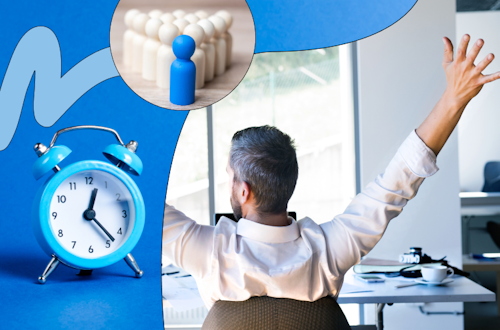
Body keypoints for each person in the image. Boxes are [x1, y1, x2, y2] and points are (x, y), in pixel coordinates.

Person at [162, 35, 500, 309]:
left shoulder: (207, 252)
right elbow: (400, 179)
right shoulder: (330, 250)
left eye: (229, 175)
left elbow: (134, 202)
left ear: (243, 191)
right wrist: (454, 99)